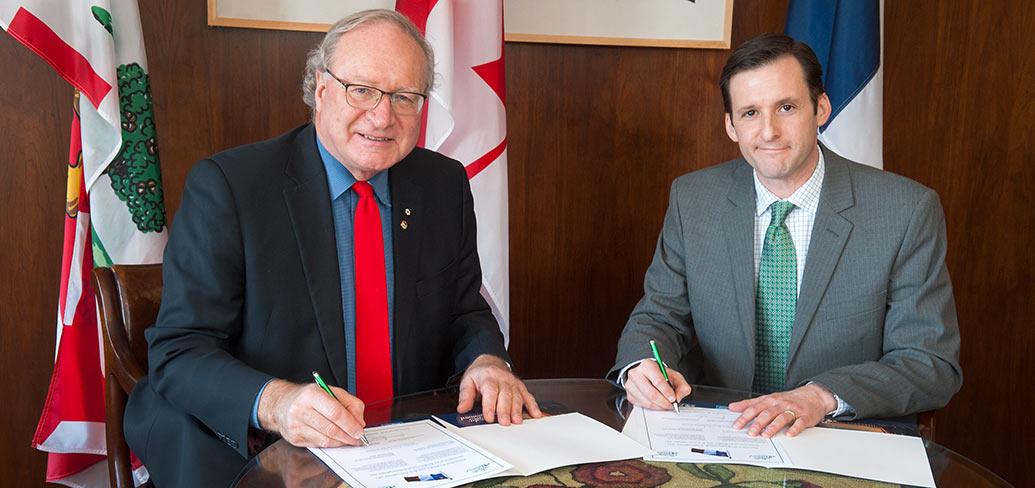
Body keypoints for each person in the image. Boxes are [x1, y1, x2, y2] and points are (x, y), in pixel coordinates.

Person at [124, 9, 540, 487]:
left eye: (404, 97)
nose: (382, 116)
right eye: (361, 90)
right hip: (272, 457)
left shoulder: (442, 185)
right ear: (321, 88)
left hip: (406, 452)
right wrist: (277, 402)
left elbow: (464, 311)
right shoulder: (232, 188)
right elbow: (180, 351)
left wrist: (486, 359)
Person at [609, 33, 961, 439]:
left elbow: (929, 363)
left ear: (821, 108)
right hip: (724, 430)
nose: (769, 131)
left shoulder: (904, 211)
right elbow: (658, 317)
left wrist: (820, 396)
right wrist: (641, 367)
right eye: (750, 113)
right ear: (731, 126)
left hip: (840, 433)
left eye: (786, 107)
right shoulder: (694, 199)